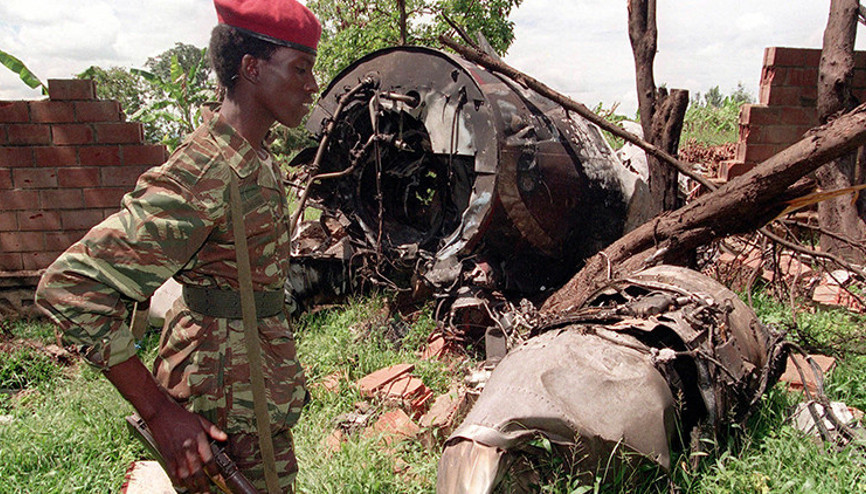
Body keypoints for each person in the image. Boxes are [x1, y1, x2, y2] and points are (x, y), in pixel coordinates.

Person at [35, 0, 320, 492]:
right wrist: (159, 411)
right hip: (221, 405)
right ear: (251, 68)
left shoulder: (255, 158)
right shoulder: (204, 173)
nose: (312, 86)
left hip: (254, 396)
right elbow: (69, 285)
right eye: (300, 69)